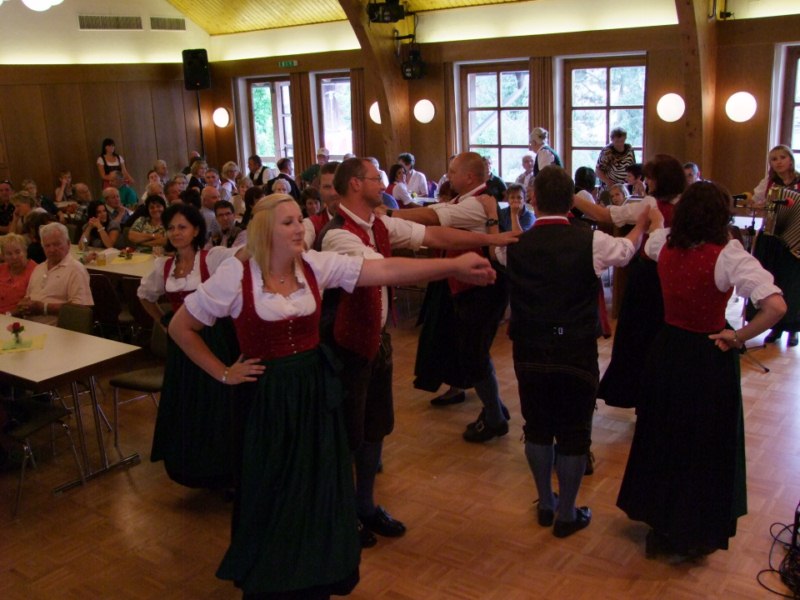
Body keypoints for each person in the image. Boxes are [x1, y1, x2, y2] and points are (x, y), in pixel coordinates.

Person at [168, 193, 495, 598]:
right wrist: (223, 372)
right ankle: (273, 577)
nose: (300, 227)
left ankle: (317, 573)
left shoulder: (314, 265)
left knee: (319, 483)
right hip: (267, 398)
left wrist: (452, 264)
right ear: (266, 230)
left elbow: (385, 268)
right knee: (273, 486)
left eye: (299, 220)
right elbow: (181, 328)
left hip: (314, 390)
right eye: (289, 222)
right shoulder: (236, 276)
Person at [316, 157, 517, 549]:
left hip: (376, 343)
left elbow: (434, 235)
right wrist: (453, 269)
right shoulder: (338, 236)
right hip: (345, 349)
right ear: (355, 184)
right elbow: (387, 271)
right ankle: (341, 515)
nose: (384, 183)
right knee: (346, 437)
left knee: (374, 430)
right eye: (376, 178)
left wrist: (491, 241)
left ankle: (365, 505)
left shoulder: (378, 223)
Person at [617, 181, 786, 558]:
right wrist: (739, 336)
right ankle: (692, 531)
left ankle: (660, 524)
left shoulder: (663, 243)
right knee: (702, 444)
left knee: (663, 435)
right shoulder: (728, 255)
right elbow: (776, 307)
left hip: (666, 350)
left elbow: (653, 238)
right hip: (708, 356)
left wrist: (656, 217)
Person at [490, 165, 647, 538]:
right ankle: (566, 513)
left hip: (529, 348)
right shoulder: (591, 241)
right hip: (574, 348)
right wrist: (641, 224)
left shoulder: (512, 245)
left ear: (534, 200)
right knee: (574, 432)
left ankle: (546, 502)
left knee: (537, 428)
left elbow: (498, 254)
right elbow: (627, 251)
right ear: (571, 202)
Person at [384, 152, 513, 442]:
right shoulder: (465, 199)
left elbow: (433, 217)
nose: (448, 175)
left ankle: (495, 417)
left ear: (469, 177)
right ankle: (495, 408)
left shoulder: (475, 204)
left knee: (474, 353)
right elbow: (438, 212)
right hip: (470, 286)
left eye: (453, 171)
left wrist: (389, 214)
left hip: (483, 288)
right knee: (473, 350)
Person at [138, 203, 240, 489]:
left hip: (215, 338)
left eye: (182, 227)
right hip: (183, 343)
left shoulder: (212, 258)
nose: (176, 233)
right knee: (189, 403)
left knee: (218, 403)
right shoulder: (164, 266)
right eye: (171, 228)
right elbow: (144, 295)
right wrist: (164, 322)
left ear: (196, 230)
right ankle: (194, 468)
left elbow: (241, 260)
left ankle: (226, 469)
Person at [574, 154, 686, 409]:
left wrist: (571, 198)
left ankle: (643, 396)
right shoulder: (686, 202)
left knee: (639, 339)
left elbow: (605, 215)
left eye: (650, 178)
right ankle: (661, 399)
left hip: (650, 280)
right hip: (675, 278)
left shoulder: (651, 204)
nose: (647, 182)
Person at [750, 144, 800, 347]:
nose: (778, 162)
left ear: (790, 160)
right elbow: (754, 203)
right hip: (772, 239)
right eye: (774, 159)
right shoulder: (768, 183)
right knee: (773, 282)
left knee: (793, 283)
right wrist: (760, 206)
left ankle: (793, 329)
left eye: (782, 157)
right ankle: (775, 327)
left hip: (795, 240)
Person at [15, 222, 93, 325]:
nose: (52, 249)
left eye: (57, 244)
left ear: (68, 244)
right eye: (47, 246)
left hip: (57, 330)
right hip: (29, 326)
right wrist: (24, 305)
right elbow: (28, 297)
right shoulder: (38, 268)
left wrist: (44, 308)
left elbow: (80, 310)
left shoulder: (76, 270)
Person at [0, 233, 37, 314]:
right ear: (3, 256)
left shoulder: (35, 271)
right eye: (9, 254)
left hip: (16, 318)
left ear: (25, 251)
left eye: (18, 252)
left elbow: (29, 305)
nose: (14, 257)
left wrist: (8, 315)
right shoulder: (1, 268)